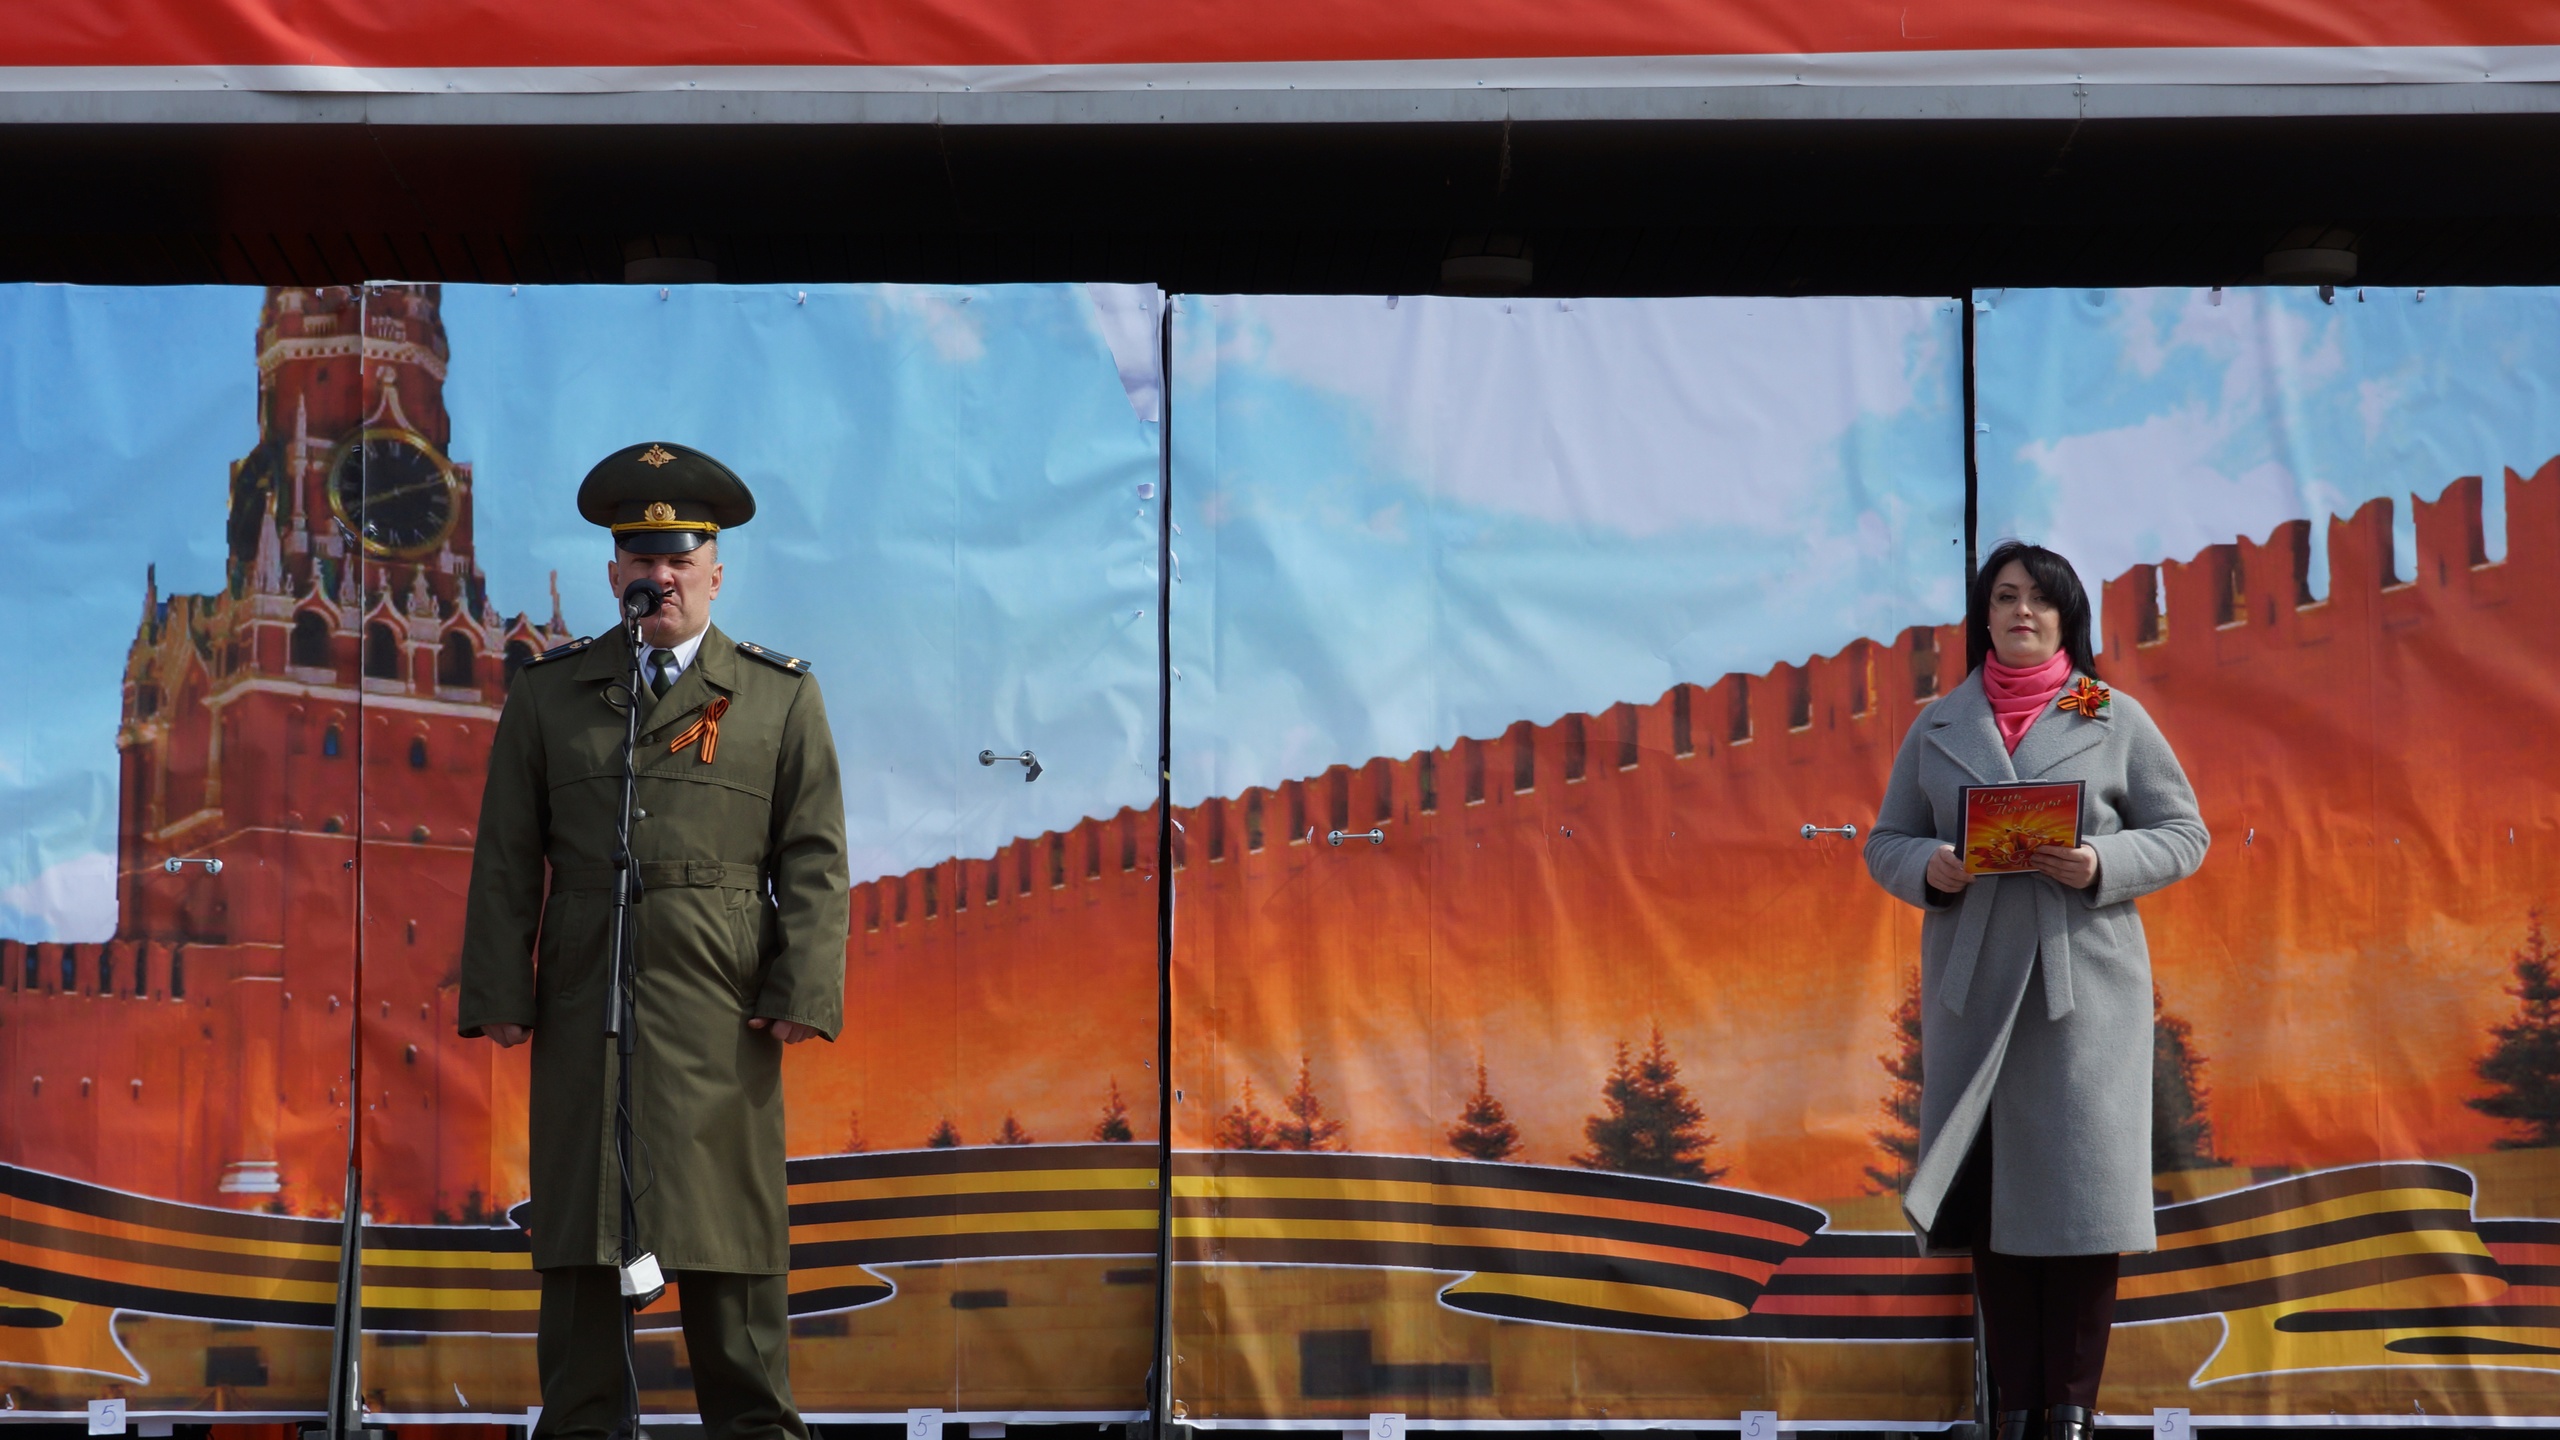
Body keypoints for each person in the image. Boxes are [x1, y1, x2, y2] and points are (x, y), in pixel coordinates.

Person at [458, 441, 850, 1440]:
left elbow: (813, 858)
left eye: (681, 558)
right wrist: (500, 991)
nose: (660, 575)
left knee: (732, 1262)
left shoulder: (777, 696)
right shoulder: (551, 695)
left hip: (723, 1017)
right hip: (587, 1007)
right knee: (586, 1253)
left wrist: (802, 990)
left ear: (716, 573)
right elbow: (508, 855)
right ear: (613, 575)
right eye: (642, 557)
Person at [1864, 541, 2208, 1440]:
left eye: (2042, 599)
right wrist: (1930, 866)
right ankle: (2014, 1412)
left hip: (2082, 989)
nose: (2024, 611)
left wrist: (2101, 861)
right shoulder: (1940, 724)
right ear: (1984, 616)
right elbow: (1885, 841)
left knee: (2083, 1203)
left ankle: (2072, 1413)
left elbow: (2184, 832)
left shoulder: (2109, 712)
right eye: (2007, 596)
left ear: (2066, 618)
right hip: (1974, 990)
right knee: (1991, 1200)